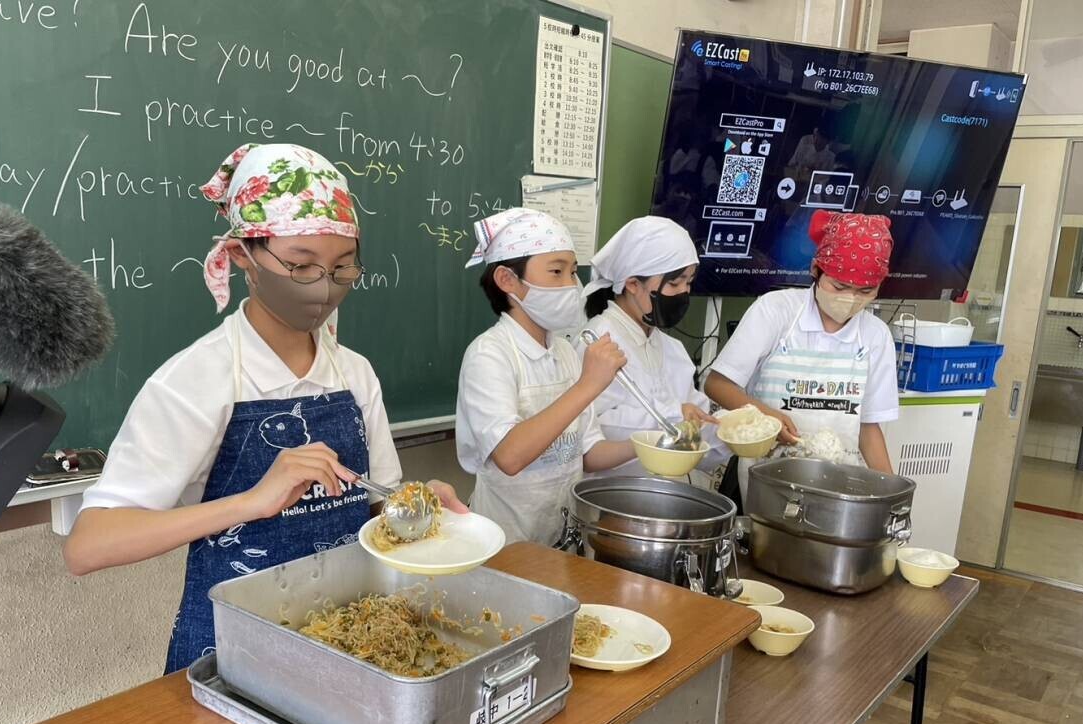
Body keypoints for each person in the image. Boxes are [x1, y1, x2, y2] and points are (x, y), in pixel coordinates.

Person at [63, 143, 465, 673]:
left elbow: (372, 510)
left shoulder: (355, 373)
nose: (324, 286)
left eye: (343, 268)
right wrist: (251, 501)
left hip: (351, 640)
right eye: (301, 266)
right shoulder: (197, 379)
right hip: (231, 653)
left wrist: (415, 509)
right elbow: (88, 546)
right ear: (242, 258)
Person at [455, 208, 637, 545]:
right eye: (556, 272)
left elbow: (588, 452)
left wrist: (647, 444)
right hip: (502, 545)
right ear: (508, 280)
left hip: (560, 541)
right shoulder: (490, 354)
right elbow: (509, 456)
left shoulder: (565, 352)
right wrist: (587, 386)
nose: (571, 285)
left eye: (572, 272)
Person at [704, 210, 899, 502]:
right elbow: (717, 385)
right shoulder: (775, 311)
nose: (850, 299)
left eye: (865, 291)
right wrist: (766, 416)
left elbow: (869, 429)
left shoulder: (875, 335)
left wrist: (891, 499)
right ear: (815, 269)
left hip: (839, 488)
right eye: (839, 286)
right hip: (767, 480)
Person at [579, 216, 724, 480]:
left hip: (666, 496)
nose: (684, 293)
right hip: (612, 500)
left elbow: (694, 426)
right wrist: (671, 416)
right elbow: (593, 431)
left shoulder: (671, 349)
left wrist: (729, 432)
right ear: (633, 284)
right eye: (674, 283)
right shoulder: (596, 342)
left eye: (689, 283)